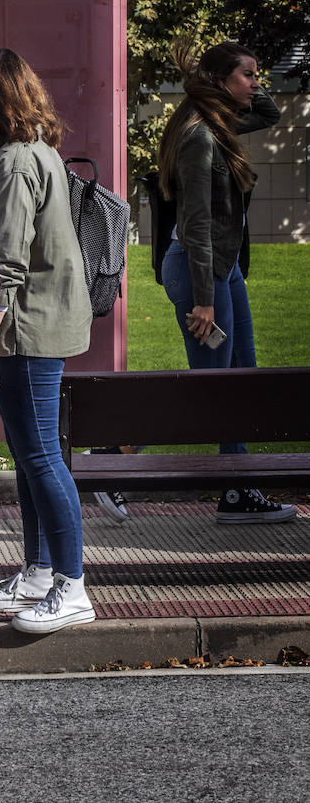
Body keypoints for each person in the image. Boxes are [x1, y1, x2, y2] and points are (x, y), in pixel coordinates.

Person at [0, 48, 96, 635]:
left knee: (41, 454)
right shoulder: (40, 152)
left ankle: (71, 586)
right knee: (30, 454)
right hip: (40, 322)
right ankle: (42, 571)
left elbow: (7, 261)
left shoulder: (17, 162)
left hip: (27, 326)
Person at [156, 40, 296, 525]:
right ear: (220, 81)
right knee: (216, 386)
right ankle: (119, 446)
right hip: (203, 269)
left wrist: (236, 80)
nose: (257, 85)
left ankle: (239, 490)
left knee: (241, 376)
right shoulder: (199, 135)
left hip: (224, 266)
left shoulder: (218, 122)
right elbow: (194, 225)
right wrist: (204, 300)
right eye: (248, 76)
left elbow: (271, 113)